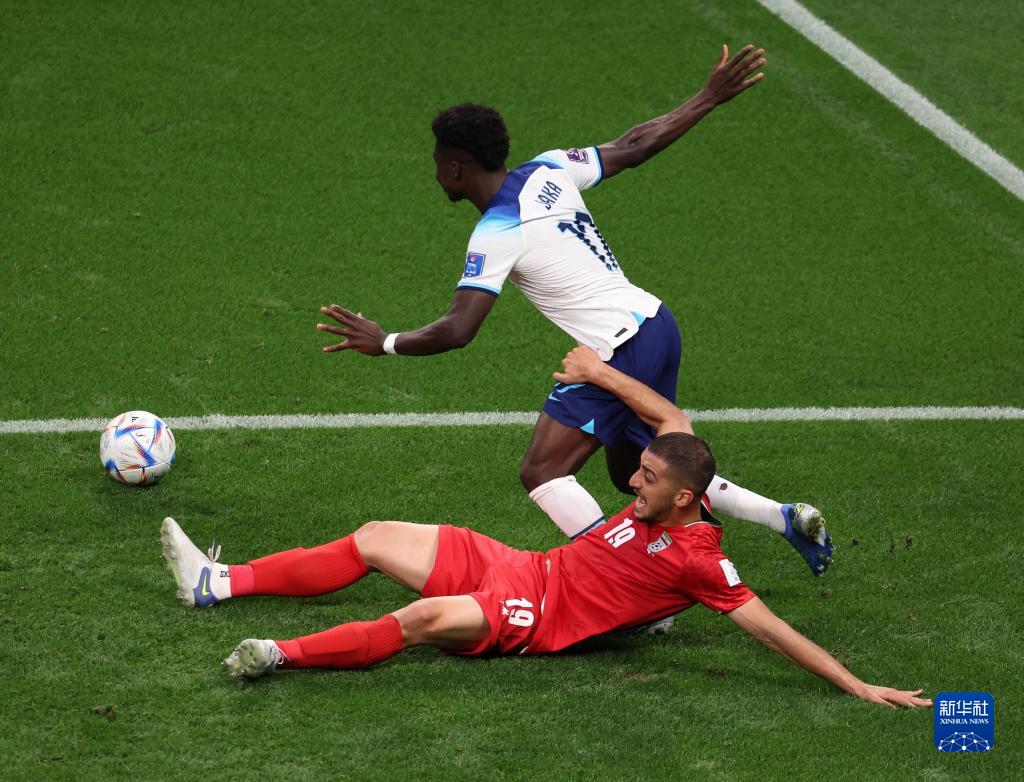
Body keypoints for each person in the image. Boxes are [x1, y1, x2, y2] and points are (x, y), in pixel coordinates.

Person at [315, 43, 832, 575]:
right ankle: (782, 517)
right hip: (655, 323)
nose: (434, 171)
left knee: (542, 471)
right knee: (636, 471)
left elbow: (458, 328)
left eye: (435, 162)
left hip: (617, 347)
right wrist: (707, 97)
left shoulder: (496, 231)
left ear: (455, 167)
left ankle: (623, 577)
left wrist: (385, 342)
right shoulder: (550, 168)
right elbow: (634, 144)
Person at [159, 352, 927, 709]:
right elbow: (669, 417)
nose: (632, 482)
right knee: (375, 536)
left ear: (687, 498)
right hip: (525, 567)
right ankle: (215, 583)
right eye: (640, 472)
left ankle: (276, 655)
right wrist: (597, 373)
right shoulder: (676, 466)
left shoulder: (702, 561)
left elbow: (774, 632)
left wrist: (859, 686)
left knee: (422, 619)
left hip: (537, 616)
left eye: (647, 480)